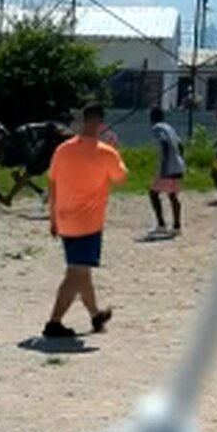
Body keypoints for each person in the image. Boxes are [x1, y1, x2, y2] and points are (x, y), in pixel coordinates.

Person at [43, 102, 128, 338]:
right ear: (100, 123)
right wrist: (115, 151)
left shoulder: (63, 150)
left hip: (65, 220)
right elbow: (121, 177)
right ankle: (54, 322)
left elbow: (52, 182)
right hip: (88, 223)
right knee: (75, 273)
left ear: (82, 120)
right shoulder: (106, 152)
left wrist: (53, 217)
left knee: (82, 272)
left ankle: (95, 315)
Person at [147, 106, 186, 235]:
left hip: (167, 166)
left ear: (153, 117)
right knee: (173, 195)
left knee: (153, 193)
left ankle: (161, 224)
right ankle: (177, 226)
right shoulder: (169, 127)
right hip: (177, 164)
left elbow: (163, 143)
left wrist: (163, 166)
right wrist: (180, 159)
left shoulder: (157, 128)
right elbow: (180, 144)